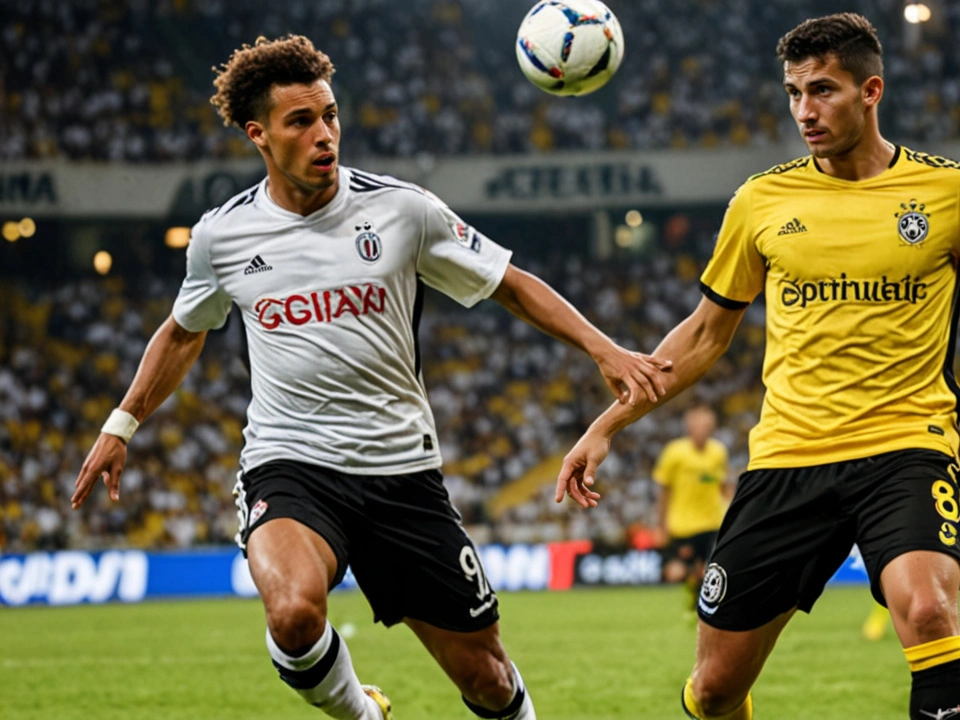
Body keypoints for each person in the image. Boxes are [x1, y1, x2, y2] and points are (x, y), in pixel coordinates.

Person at [556, 13, 960, 720]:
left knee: (930, 613)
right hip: (787, 459)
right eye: (793, 93)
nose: (804, 111)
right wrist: (608, 425)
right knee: (716, 691)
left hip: (907, 450)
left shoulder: (952, 192)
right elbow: (707, 334)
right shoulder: (760, 202)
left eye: (823, 90)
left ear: (871, 91)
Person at [71, 35, 670, 720]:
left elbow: (508, 282)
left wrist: (602, 348)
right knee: (295, 613)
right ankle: (364, 715)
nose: (324, 134)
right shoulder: (222, 236)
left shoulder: (403, 210)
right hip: (291, 463)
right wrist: (122, 424)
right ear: (258, 134)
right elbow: (183, 329)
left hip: (401, 472)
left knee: (488, 678)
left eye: (330, 115)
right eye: (301, 121)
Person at [652, 404, 732, 613]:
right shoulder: (674, 453)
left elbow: (723, 487)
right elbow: (664, 491)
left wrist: (734, 513)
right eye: (699, 425)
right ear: (689, 427)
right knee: (676, 572)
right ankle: (693, 591)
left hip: (712, 522)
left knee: (710, 570)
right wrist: (661, 524)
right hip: (682, 525)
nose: (703, 430)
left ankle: (703, 608)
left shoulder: (718, 452)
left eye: (707, 426)